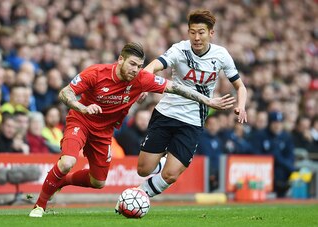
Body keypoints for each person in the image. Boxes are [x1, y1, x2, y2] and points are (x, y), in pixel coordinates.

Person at [29, 42, 235, 217]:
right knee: (67, 162)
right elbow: (65, 93)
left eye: (140, 66)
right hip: (81, 121)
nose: (136, 70)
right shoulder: (96, 73)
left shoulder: (140, 79)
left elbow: (175, 87)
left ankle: (62, 181)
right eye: (132, 64)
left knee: (98, 182)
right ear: (120, 60)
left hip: (104, 132)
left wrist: (207, 100)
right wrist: (83, 107)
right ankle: (40, 205)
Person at [132, 9, 247, 200]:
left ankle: (138, 196)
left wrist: (241, 106)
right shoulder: (179, 49)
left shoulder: (221, 55)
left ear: (211, 33)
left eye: (201, 32)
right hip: (166, 113)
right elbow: (154, 65)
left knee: (170, 175)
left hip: (193, 120)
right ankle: (161, 162)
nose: (196, 37)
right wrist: (145, 82)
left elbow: (240, 87)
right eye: (192, 32)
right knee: (143, 169)